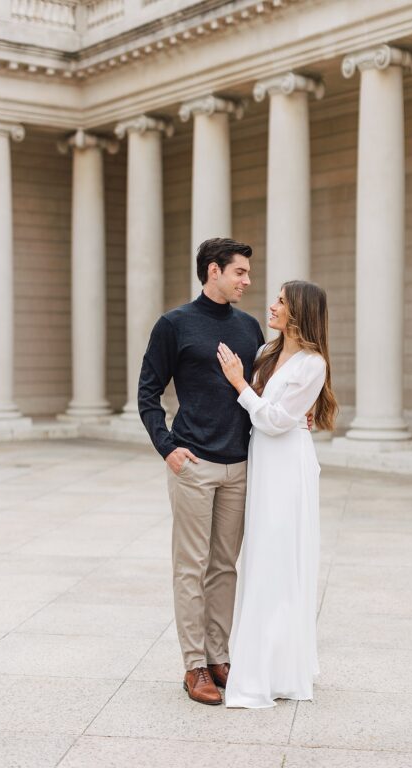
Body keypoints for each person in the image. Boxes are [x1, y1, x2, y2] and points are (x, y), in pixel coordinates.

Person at [138, 237, 264, 706]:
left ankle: (218, 656)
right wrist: (168, 448)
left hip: (240, 465)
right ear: (214, 271)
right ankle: (194, 665)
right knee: (190, 568)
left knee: (224, 567)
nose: (247, 281)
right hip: (193, 464)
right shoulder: (174, 325)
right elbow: (148, 393)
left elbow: (262, 389)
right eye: (240, 273)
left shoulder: (250, 328)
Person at [216, 280, 337, 708]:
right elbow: (265, 417)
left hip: (288, 466)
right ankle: (261, 660)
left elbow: (276, 421)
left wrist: (239, 384)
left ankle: (275, 670)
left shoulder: (312, 364)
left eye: (281, 302)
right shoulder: (267, 353)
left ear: (298, 312)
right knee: (260, 556)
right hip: (263, 461)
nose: (271, 306)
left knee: (279, 558)